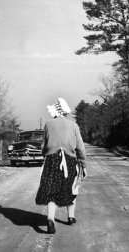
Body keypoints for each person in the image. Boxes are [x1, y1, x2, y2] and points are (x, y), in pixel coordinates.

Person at [35, 97, 87, 234]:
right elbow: (80, 147)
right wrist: (83, 164)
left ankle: (50, 219)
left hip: (52, 160)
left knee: (52, 191)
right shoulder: (73, 125)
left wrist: (45, 154)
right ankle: (71, 217)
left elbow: (44, 146)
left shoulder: (48, 124)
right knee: (71, 187)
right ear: (65, 111)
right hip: (69, 160)